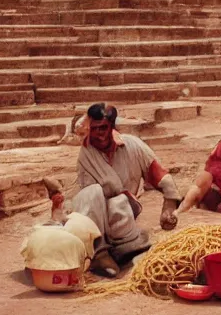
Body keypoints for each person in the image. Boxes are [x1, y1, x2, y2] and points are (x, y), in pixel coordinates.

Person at [74, 103, 181, 277]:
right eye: (94, 129)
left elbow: (158, 174)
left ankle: (126, 248)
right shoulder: (85, 154)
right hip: (96, 220)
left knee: (120, 203)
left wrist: (169, 205)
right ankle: (99, 253)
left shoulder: (133, 145)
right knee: (93, 193)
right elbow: (90, 203)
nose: (98, 134)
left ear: (112, 127)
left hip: (125, 214)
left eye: (103, 128)